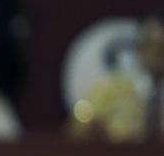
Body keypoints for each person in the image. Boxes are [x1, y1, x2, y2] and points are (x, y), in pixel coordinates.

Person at [68, 10, 164, 141]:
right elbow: (75, 133)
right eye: (150, 43)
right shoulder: (107, 92)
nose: (157, 53)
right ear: (138, 48)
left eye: (162, 46)